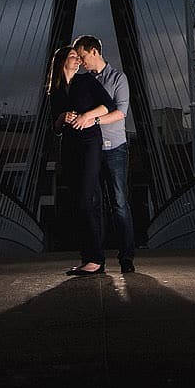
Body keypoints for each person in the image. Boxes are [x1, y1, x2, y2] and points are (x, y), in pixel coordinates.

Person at [63, 34, 133, 274]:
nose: (80, 61)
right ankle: (96, 258)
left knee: (119, 203)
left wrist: (90, 119)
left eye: (82, 56)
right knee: (93, 204)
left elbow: (120, 112)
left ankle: (126, 258)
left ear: (94, 52)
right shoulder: (82, 81)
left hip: (114, 148)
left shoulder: (117, 78)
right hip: (89, 151)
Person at [46, 45, 111, 275]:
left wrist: (86, 116)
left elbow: (107, 105)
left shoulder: (86, 81)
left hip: (90, 144)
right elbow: (55, 128)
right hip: (70, 147)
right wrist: (62, 117)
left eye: (78, 57)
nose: (78, 61)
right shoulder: (55, 91)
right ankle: (89, 258)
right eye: (73, 57)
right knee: (78, 201)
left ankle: (96, 258)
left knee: (86, 199)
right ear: (62, 60)